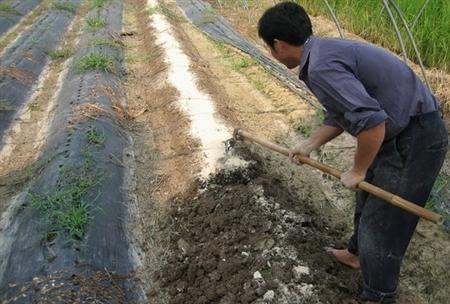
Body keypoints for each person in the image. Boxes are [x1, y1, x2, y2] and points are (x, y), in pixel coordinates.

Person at [258, 2, 448, 303]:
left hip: (416, 137)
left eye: (268, 47)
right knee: (366, 197)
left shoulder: (320, 67)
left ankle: (379, 296)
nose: (271, 53)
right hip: (398, 132)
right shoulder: (321, 54)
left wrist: (357, 170)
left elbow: (372, 124)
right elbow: (339, 114)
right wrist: (307, 145)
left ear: (278, 44)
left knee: (381, 223)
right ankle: (355, 255)